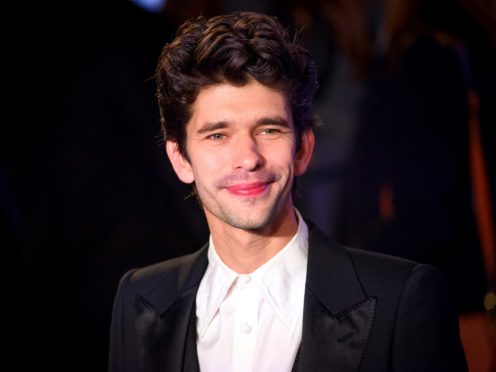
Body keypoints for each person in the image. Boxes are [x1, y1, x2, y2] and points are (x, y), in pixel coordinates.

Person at [108, 11, 467, 372]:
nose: (248, 158)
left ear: (303, 150)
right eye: (218, 135)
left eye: (269, 130)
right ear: (180, 159)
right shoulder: (140, 299)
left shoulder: (400, 299)